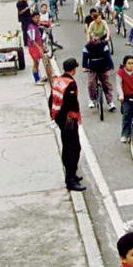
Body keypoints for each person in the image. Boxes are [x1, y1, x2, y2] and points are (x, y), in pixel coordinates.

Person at [49, 58, 86, 192]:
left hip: (60, 118)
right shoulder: (70, 83)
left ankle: (72, 175)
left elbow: (51, 99)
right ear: (73, 69)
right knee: (74, 148)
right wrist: (73, 118)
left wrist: (54, 116)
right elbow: (71, 103)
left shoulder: (58, 80)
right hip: (69, 120)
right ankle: (70, 179)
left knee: (68, 146)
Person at [82, 34, 116, 112]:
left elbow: (108, 56)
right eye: (94, 38)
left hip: (103, 66)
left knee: (106, 84)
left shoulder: (104, 45)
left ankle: (110, 102)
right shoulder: (87, 46)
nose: (96, 39)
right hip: (92, 67)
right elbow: (84, 58)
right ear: (91, 38)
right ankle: (92, 99)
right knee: (91, 83)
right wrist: (84, 67)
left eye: (97, 38)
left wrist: (110, 65)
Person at [25, 12, 46, 84]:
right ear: (32, 18)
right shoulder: (31, 27)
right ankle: (36, 79)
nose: (38, 19)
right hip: (33, 48)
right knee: (35, 63)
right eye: (36, 18)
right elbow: (32, 40)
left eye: (39, 17)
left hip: (37, 47)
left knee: (37, 63)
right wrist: (39, 48)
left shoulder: (36, 25)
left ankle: (38, 77)